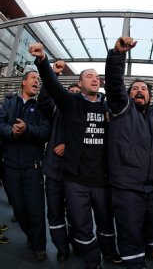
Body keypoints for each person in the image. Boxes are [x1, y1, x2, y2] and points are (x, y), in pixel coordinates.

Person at [29, 43, 120, 269]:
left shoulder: (109, 109)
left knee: (106, 223)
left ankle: (109, 252)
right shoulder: (71, 103)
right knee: (81, 225)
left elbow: (118, 86)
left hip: (102, 179)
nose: (94, 78)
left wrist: (118, 55)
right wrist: (43, 61)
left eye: (97, 76)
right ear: (79, 84)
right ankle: (91, 259)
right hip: (75, 180)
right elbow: (51, 85)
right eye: (89, 76)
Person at [104, 36, 153, 269]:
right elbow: (113, 84)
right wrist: (118, 55)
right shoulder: (122, 108)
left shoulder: (151, 117)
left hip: (151, 186)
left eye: (144, 89)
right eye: (135, 89)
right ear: (129, 95)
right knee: (129, 229)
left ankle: (152, 247)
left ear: (149, 97)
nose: (140, 91)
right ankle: (135, 263)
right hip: (126, 187)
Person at [0, 70, 50, 260]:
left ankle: (39, 245)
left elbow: (45, 132)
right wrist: (12, 131)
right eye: (33, 79)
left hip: (33, 168)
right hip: (10, 167)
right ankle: (31, 235)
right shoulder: (9, 102)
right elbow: (0, 122)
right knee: (19, 210)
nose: (37, 82)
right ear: (23, 82)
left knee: (36, 210)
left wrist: (27, 129)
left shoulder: (41, 108)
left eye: (39, 80)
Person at [37, 61, 81, 262]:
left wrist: (69, 146)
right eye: (69, 91)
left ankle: (77, 244)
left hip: (75, 174)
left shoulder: (85, 113)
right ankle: (61, 248)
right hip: (54, 170)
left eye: (76, 92)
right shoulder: (56, 109)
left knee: (75, 214)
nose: (72, 94)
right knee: (55, 213)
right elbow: (45, 99)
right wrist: (52, 75)